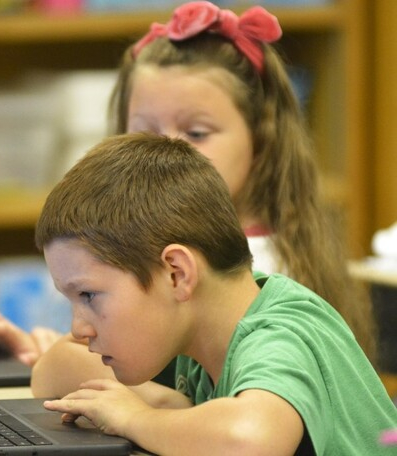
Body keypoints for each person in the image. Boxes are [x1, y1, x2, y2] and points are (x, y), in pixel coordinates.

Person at [0, 1, 377, 369]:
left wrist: (64, 362)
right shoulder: (142, 248)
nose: (169, 151)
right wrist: (44, 353)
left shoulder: (254, 271)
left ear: (261, 140)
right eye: (146, 133)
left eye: (196, 133)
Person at [34, 132, 397, 456]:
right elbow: (51, 372)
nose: (80, 327)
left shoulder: (280, 335)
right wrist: (162, 401)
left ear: (177, 273)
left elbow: (251, 441)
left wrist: (137, 418)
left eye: (89, 296)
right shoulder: (194, 323)